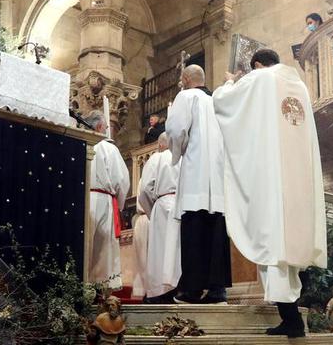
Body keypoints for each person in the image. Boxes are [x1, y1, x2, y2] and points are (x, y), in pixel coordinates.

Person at [213, 48, 326, 336]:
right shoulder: (298, 85)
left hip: (274, 181)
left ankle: (291, 321)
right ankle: (291, 320)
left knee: (274, 247)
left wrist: (229, 82)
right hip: (299, 180)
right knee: (289, 254)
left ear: (258, 64)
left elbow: (224, 102)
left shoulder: (262, 78)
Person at [166, 64, 231, 304]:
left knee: (194, 229)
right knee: (216, 230)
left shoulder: (185, 96)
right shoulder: (217, 100)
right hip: (218, 174)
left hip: (196, 172)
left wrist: (178, 152)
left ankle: (191, 290)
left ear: (185, 79)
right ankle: (217, 290)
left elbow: (175, 130)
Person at [86, 110, 130, 291]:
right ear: (99, 127)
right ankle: (101, 288)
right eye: (105, 127)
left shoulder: (82, 143)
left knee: (86, 245)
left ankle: (82, 283)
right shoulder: (109, 148)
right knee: (104, 249)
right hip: (105, 199)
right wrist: (118, 204)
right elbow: (122, 180)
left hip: (85, 198)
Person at [138, 134, 181, 303]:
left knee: (160, 252)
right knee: (177, 251)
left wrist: (151, 212)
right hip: (182, 205)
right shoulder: (183, 157)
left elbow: (145, 190)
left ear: (161, 145)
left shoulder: (157, 158)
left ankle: (159, 292)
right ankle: (179, 289)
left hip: (162, 205)